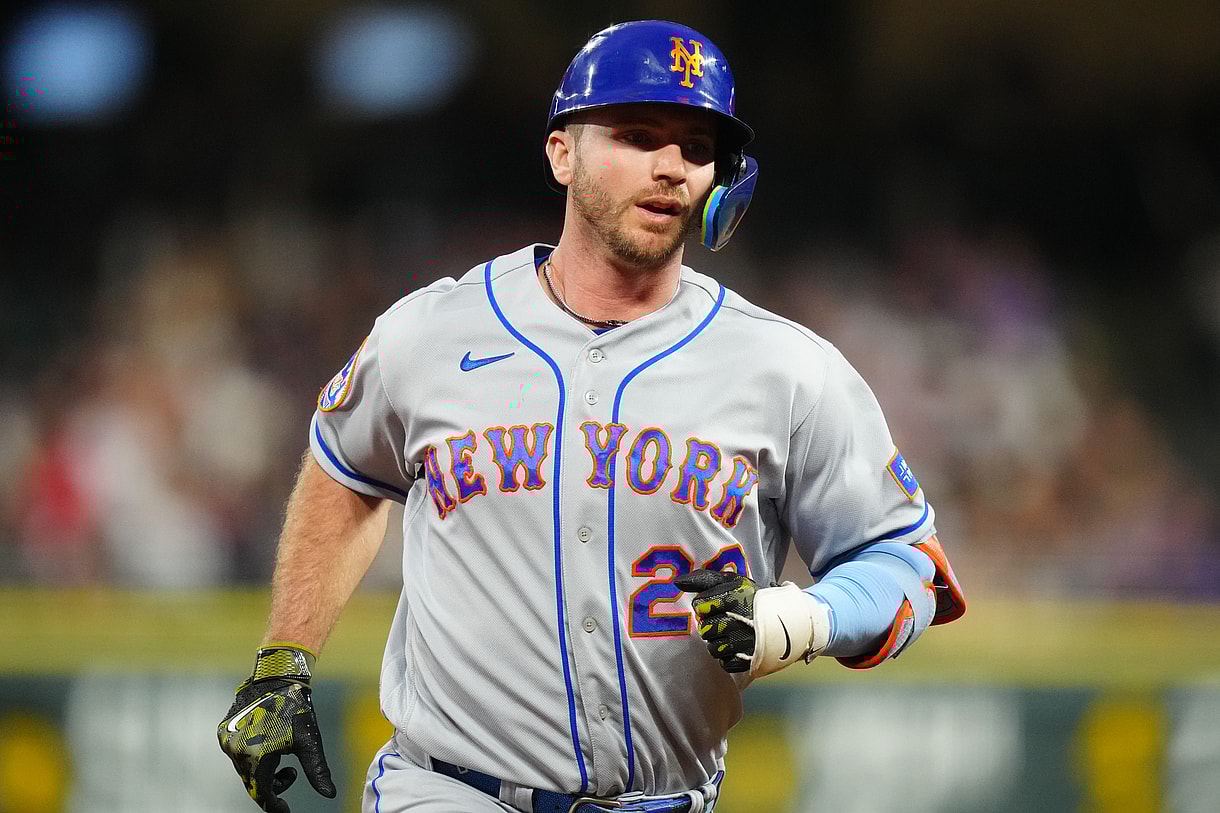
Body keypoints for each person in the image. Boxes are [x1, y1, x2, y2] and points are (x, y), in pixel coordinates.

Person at [217, 19, 966, 813]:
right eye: (638, 135)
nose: (672, 167)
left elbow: (908, 564)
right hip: (448, 790)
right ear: (561, 153)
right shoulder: (432, 333)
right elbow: (344, 475)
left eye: (696, 145)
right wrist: (283, 660)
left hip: (665, 799)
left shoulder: (787, 370)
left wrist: (804, 616)